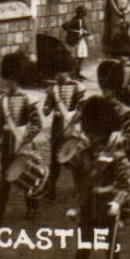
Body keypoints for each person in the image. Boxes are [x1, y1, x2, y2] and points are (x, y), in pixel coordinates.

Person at [61, 96, 130, 259]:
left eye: (95, 133)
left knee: (109, 245)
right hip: (88, 204)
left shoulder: (115, 153)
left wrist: (117, 202)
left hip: (106, 204)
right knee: (83, 246)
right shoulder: (85, 151)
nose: (93, 137)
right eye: (91, 133)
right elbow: (77, 176)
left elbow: (129, 180)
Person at [0, 53, 43, 223]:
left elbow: (36, 124)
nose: (6, 82)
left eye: (9, 79)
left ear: (16, 79)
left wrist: (25, 139)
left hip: (23, 144)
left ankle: (32, 207)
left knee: (27, 177)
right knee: (5, 179)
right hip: (7, 144)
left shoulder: (27, 99)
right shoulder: (3, 100)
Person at [43, 68, 85, 199]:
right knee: (55, 159)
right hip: (57, 127)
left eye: (60, 71)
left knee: (74, 158)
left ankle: (80, 187)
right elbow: (46, 110)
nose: (57, 75)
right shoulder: (52, 89)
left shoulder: (78, 87)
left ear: (68, 72)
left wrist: (75, 115)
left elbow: (82, 107)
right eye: (56, 72)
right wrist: (47, 108)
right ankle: (51, 188)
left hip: (72, 126)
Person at [62, 5, 92, 76]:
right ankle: (74, 72)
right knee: (76, 56)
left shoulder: (82, 20)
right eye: (83, 13)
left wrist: (86, 32)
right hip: (75, 41)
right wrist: (72, 32)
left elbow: (85, 28)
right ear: (79, 13)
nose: (84, 15)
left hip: (81, 39)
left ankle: (78, 71)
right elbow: (65, 25)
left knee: (82, 55)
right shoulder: (75, 20)